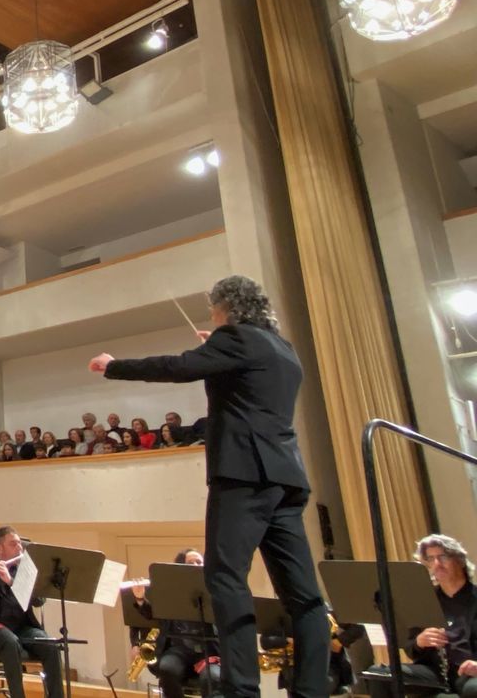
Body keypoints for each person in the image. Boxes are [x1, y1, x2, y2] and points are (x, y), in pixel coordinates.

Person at [89, 275, 328, 698]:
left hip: (244, 474)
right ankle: (311, 691)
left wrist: (114, 366)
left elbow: (177, 367)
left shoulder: (235, 339)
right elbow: (247, 385)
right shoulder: (282, 349)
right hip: (286, 477)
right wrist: (216, 347)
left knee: (225, 579)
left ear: (226, 309)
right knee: (304, 596)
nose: (212, 318)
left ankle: (241, 691)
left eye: (214, 312)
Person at [364, 534, 477, 698]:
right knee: (379, 675)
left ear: (459, 561)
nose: (437, 564)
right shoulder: (424, 601)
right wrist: (419, 642)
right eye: (431, 559)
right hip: (435, 672)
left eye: (443, 557)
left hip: (471, 673)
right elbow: (410, 648)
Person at [0, 526, 65, 698]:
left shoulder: (25, 570)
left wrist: (11, 582)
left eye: (19, 544)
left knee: (51, 646)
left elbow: (39, 601)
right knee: (10, 642)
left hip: (21, 627)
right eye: (13, 544)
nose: (19, 548)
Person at [129, 549, 221, 698]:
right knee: (167, 669)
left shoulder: (214, 589)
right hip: (179, 650)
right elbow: (153, 614)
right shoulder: (171, 590)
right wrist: (140, 599)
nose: (196, 565)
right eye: (191, 562)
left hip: (208, 651)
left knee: (213, 678)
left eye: (199, 562)